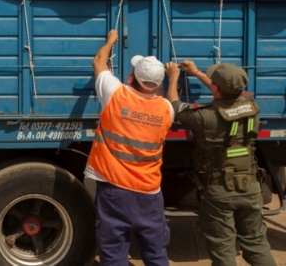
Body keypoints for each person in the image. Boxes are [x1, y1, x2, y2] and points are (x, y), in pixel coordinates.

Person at [165, 60, 276, 266]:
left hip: (218, 190)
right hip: (251, 187)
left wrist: (173, 78)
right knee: (257, 243)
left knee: (223, 247)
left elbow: (174, 105)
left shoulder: (203, 116)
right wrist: (197, 73)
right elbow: (227, 93)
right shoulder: (252, 107)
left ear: (216, 87)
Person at [85, 29, 174, 266]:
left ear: (132, 75)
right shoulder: (167, 109)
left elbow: (98, 61)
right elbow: (174, 102)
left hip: (114, 192)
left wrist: (110, 41)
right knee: (156, 254)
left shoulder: (115, 93)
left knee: (113, 255)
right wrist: (174, 77)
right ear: (158, 84)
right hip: (150, 194)